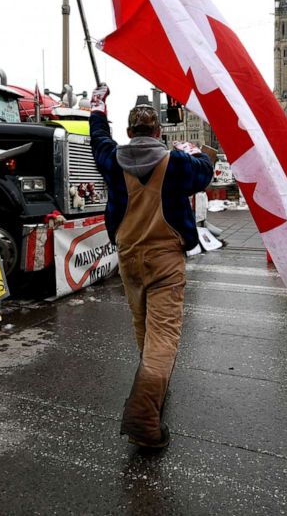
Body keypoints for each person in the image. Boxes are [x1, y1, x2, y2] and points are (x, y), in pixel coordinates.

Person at [89, 84, 213, 449]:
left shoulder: (112, 158)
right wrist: (199, 151)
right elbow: (204, 173)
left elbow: (99, 138)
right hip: (164, 259)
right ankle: (145, 414)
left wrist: (97, 107)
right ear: (158, 131)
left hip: (128, 257)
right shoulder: (176, 163)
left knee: (143, 325)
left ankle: (153, 382)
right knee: (164, 335)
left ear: (129, 133)